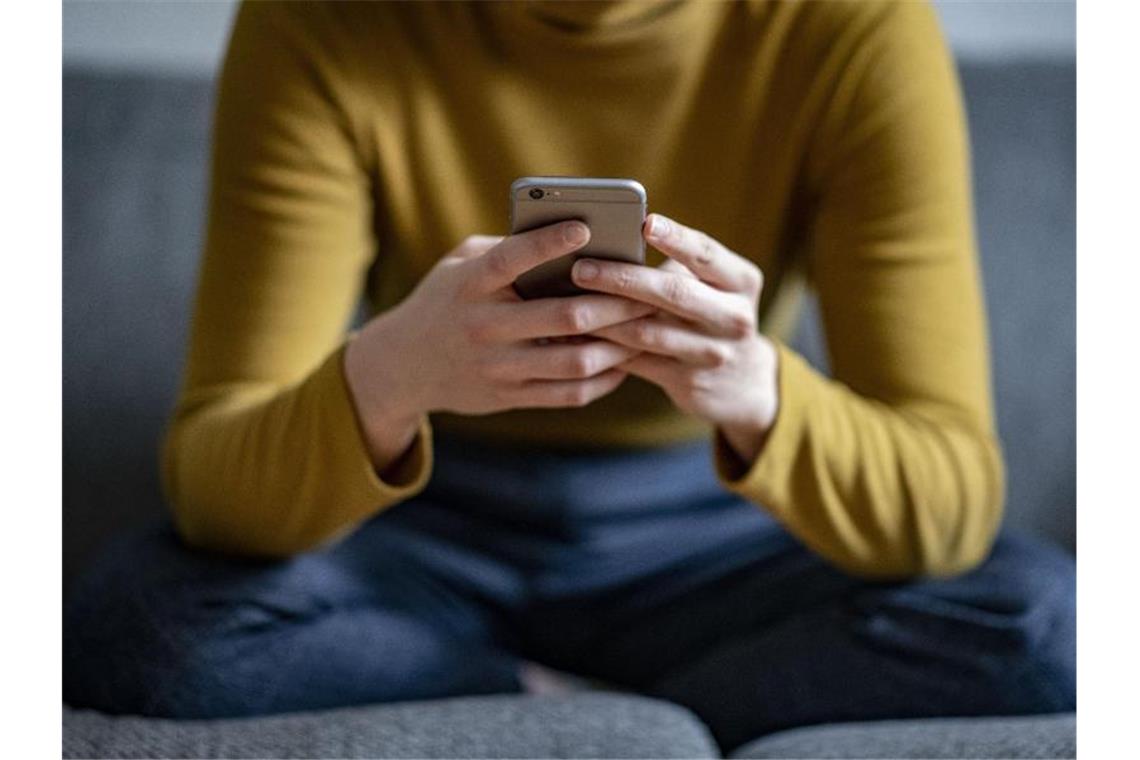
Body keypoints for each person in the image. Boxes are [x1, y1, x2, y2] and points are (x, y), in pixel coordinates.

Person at [63, 0, 1075, 751]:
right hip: (421, 523)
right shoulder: (319, 22)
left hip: (715, 526)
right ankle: (582, 702)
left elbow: (951, 499)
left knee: (1049, 623)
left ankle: (560, 704)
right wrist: (387, 378)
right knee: (137, 627)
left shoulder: (855, 31)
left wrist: (760, 394)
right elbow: (213, 483)